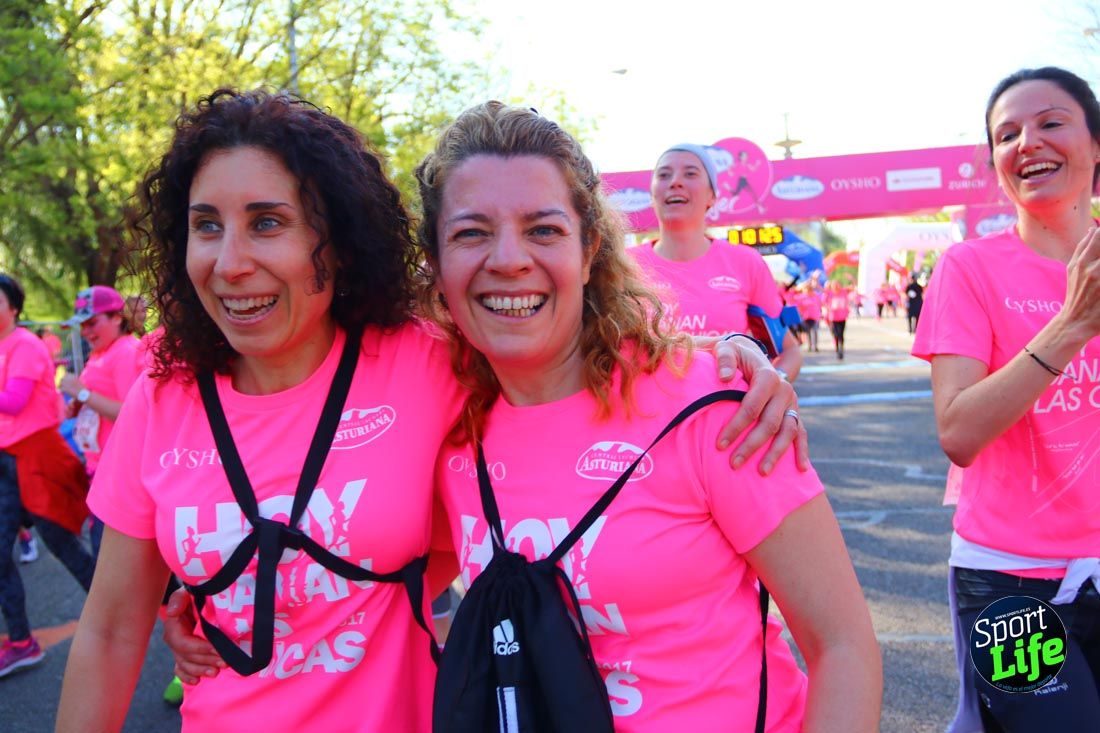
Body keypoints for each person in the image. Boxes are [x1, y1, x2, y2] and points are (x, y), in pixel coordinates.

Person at [56, 89, 805, 732]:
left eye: (268, 221)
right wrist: (240, 585)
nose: (230, 260)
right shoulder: (164, 387)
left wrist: (726, 349)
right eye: (207, 225)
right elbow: (114, 629)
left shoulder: (425, 359)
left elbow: (561, 341)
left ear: (334, 239)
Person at [417, 102, 881, 730]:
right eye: (470, 232)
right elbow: (376, 597)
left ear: (590, 253)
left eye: (544, 230)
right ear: (437, 265)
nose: (508, 259)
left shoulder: (716, 407)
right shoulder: (448, 429)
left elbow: (843, 647)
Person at [913, 67, 1100, 732]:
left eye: (1050, 122)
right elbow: (958, 428)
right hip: (1008, 584)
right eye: (1006, 134)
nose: (1027, 141)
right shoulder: (969, 268)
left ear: (1095, 145)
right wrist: (1073, 323)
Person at [630, 143, 803, 383]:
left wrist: (773, 385)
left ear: (712, 196)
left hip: (730, 418)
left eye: (690, 173)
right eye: (664, 174)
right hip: (646, 417)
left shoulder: (744, 262)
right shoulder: (621, 265)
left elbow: (789, 350)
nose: (675, 182)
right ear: (652, 194)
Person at [0, 273, 95, 679]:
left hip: (37, 459)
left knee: (65, 548)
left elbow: (15, 401)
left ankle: (125, 615)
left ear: (13, 307)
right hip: (6, 462)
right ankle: (22, 642)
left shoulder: (24, 344)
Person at [57, 285, 144, 556]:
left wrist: (81, 392)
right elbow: (99, 398)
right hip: (102, 470)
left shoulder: (126, 351)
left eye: (92, 322)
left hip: (122, 474)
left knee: (110, 561)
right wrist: (80, 405)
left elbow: (131, 414)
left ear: (117, 317)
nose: (86, 332)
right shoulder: (100, 353)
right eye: (82, 325)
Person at [824, 280, 850, 360]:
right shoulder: (829, 293)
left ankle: (841, 349)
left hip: (842, 317)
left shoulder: (844, 292)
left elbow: (854, 286)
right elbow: (819, 289)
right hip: (833, 317)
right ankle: (836, 347)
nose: (836, 286)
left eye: (837, 284)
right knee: (835, 334)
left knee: (841, 334)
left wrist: (851, 279)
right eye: (834, 285)